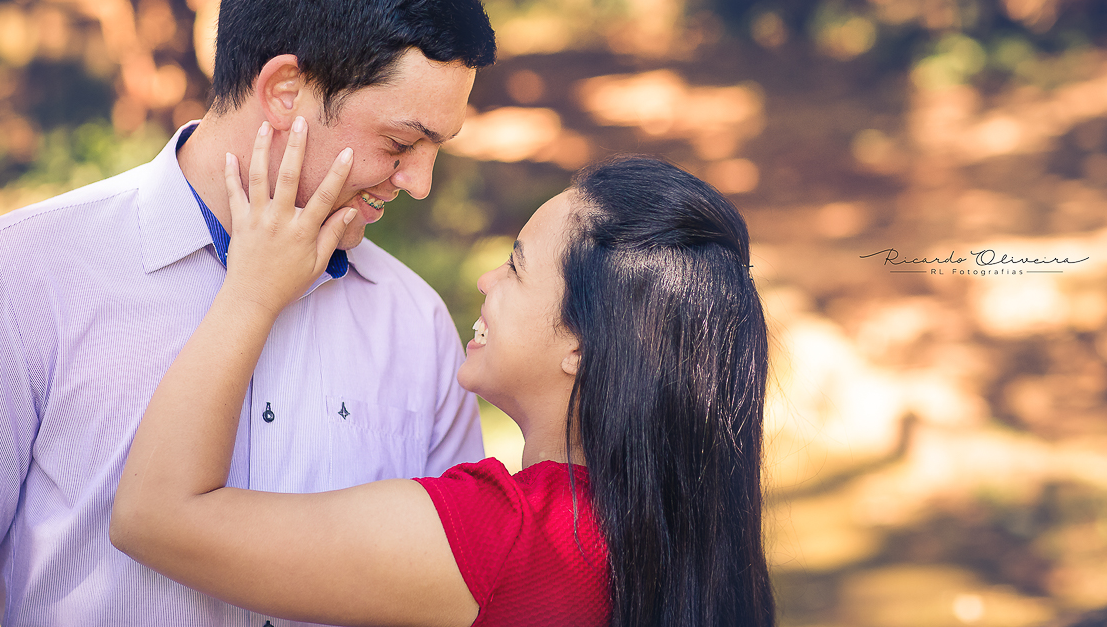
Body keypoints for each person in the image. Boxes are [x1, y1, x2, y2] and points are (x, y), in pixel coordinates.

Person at [0, 0, 495, 626]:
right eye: (399, 144)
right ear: (285, 91)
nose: (418, 184)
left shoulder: (413, 321)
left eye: (433, 151)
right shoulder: (11, 283)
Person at [111, 127, 776, 627]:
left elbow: (157, 517)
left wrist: (252, 292)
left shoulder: (508, 534)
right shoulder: (676, 532)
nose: (488, 282)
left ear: (582, 343)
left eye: (516, 267)